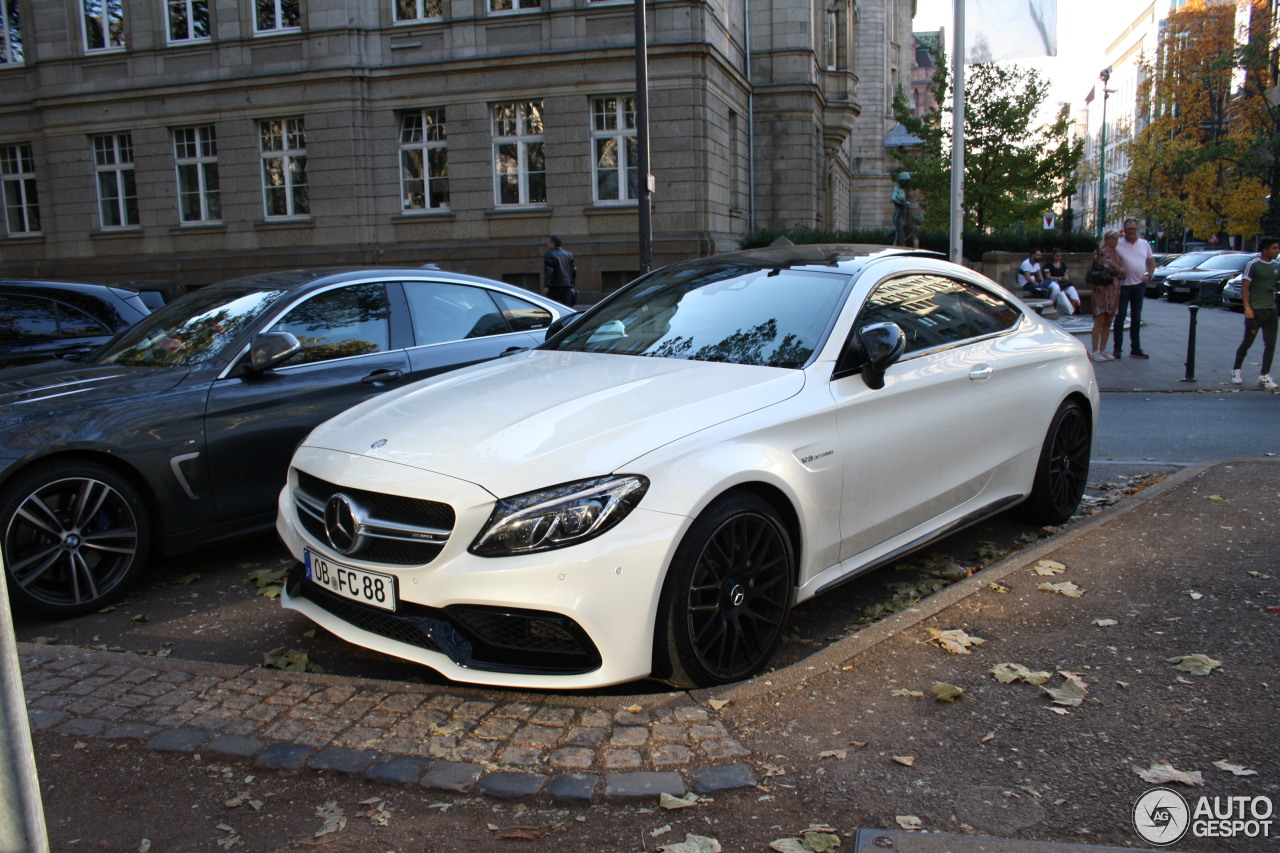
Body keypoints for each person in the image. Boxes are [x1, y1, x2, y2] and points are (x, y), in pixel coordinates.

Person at [1230, 236, 1279, 390]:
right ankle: (1236, 371)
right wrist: (1247, 307)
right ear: (1265, 250)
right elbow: (1245, 287)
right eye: (1274, 248)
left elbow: (1275, 282)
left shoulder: (1276, 265)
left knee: (1270, 344)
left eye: (1278, 248)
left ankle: (1264, 375)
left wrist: (1276, 286)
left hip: (1271, 309)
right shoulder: (1253, 265)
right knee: (1247, 342)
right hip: (1255, 309)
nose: (1277, 251)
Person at [1112, 217, 1155, 358]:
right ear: (1124, 230)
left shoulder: (1144, 244)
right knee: (1121, 316)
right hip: (1123, 285)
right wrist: (1115, 234)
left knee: (1136, 317)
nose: (1131, 232)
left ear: (1137, 230)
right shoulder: (1118, 243)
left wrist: (1149, 275)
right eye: (1128, 229)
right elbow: (1102, 248)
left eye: (1134, 229)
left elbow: (1151, 261)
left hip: (1139, 285)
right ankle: (1117, 348)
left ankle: (1135, 348)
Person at [1088, 231, 1125, 362]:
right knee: (1100, 319)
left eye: (1117, 239)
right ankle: (1095, 350)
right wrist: (1120, 271)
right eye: (1113, 238)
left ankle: (1103, 349)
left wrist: (1120, 271)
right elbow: (1112, 267)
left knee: (1109, 320)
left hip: (1114, 289)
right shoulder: (1102, 253)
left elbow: (1123, 270)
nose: (1116, 241)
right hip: (1102, 290)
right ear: (1107, 239)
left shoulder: (1118, 254)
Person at [1042, 248, 1081, 315]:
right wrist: (1058, 278)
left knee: (1072, 289)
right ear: (1053, 256)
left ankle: (1077, 306)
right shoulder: (1048, 265)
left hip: (1062, 283)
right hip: (1053, 281)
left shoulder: (1063, 265)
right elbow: (1047, 276)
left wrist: (1064, 278)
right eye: (1057, 256)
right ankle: (1051, 305)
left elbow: (1067, 276)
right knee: (1056, 288)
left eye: (1060, 256)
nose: (1058, 258)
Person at [543, 235, 577, 307]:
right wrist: (572, 282)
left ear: (553, 243)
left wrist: (546, 285)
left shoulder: (549, 254)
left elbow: (549, 270)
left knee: (553, 306)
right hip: (567, 285)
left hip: (554, 286)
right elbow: (574, 269)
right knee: (566, 307)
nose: (548, 244)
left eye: (549, 243)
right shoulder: (568, 254)